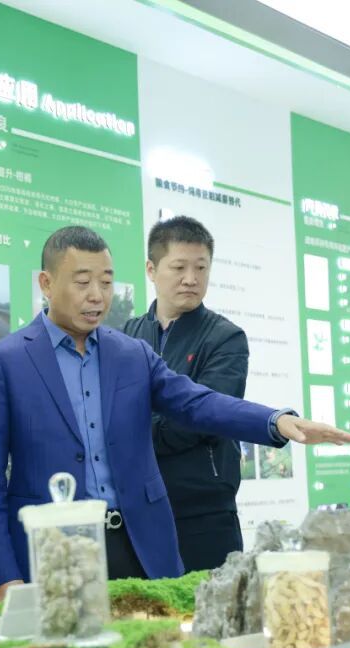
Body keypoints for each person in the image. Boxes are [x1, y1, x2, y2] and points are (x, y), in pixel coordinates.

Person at [0, 226, 350, 608]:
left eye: (106, 282)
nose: (97, 295)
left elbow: (198, 403)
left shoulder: (130, 354)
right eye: (82, 282)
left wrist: (275, 421)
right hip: (54, 552)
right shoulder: (4, 362)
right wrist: (2, 575)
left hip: (139, 546)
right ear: (47, 284)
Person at [122, 216, 248, 571]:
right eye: (179, 267)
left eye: (201, 268)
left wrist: (133, 435)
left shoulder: (225, 338)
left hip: (204, 512)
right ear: (151, 269)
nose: (191, 278)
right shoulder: (126, 336)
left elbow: (204, 417)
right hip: (137, 509)